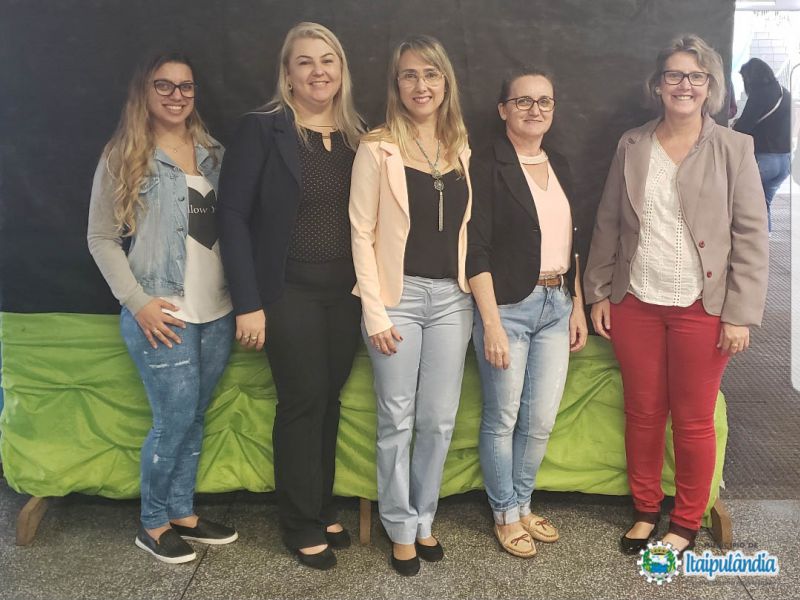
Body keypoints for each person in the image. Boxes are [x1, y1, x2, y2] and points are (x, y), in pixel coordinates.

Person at [584, 34, 768, 556]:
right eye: (674, 75)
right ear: (658, 84)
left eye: (696, 76)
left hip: (702, 308)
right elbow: (608, 221)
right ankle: (646, 509)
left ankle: (685, 520)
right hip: (635, 302)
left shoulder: (735, 148)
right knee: (642, 413)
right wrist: (598, 292)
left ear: (710, 86)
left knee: (693, 420)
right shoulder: (632, 144)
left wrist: (739, 314)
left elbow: (752, 235)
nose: (684, 85)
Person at [217, 22, 364, 571]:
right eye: (305, 61)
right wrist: (248, 302)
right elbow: (233, 217)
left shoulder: (357, 136)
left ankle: (321, 507)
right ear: (287, 73)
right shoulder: (263, 129)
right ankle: (300, 522)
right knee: (302, 400)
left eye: (328, 60)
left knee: (329, 400)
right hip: (287, 290)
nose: (318, 71)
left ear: (341, 70)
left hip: (345, 293)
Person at [87, 52, 238, 564]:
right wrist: (138, 303)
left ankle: (182, 512)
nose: (177, 96)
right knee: (172, 419)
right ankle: (152, 522)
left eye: (186, 86)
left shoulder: (214, 153)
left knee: (194, 416)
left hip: (216, 310)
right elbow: (101, 238)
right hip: (162, 313)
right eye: (165, 86)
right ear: (145, 91)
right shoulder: (125, 154)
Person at [349, 35, 473, 576]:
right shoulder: (377, 146)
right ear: (396, 84)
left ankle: (424, 518)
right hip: (396, 301)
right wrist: (374, 311)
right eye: (409, 75)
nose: (421, 85)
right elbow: (360, 232)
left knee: (439, 420)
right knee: (396, 419)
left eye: (431, 74)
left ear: (446, 82)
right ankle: (399, 526)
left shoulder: (461, 146)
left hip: (452, 300)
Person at [466, 69, 588, 559]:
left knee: (539, 421)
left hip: (557, 305)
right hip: (507, 309)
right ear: (503, 109)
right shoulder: (485, 163)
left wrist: (577, 305)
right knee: (503, 417)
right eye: (523, 101)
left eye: (545, 101)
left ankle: (522, 504)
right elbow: (475, 248)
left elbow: (573, 243)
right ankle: (504, 514)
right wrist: (491, 322)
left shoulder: (560, 163)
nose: (535, 110)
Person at [733, 57, 791, 232]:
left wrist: (734, 125)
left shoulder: (760, 95)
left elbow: (743, 127)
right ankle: (764, 242)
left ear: (751, 77)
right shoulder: (784, 92)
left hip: (764, 161)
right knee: (764, 204)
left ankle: (752, 242)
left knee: (745, 203)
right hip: (784, 161)